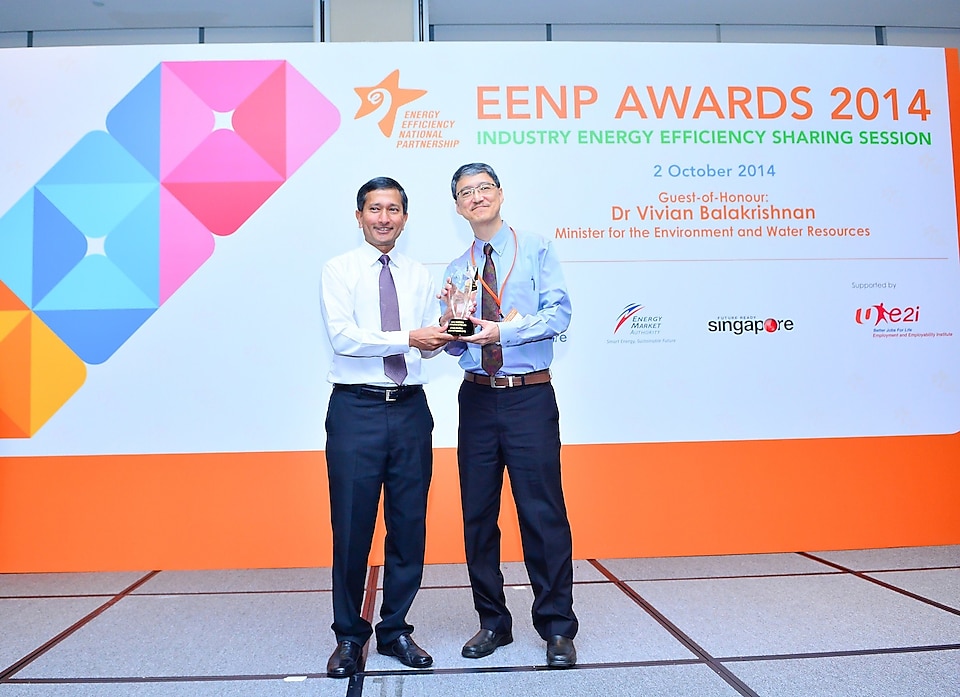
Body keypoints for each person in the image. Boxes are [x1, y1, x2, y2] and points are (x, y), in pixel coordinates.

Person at [440, 163, 579, 668]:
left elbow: (559, 315)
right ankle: (493, 622)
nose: (476, 197)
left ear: (500, 194)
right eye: (465, 193)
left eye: (483, 188)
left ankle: (557, 627)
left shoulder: (537, 247)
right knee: (478, 515)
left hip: (528, 398)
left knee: (542, 513)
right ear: (457, 207)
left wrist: (504, 333)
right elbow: (460, 347)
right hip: (476, 398)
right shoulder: (457, 268)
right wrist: (448, 334)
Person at [320, 176, 452, 678]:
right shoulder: (338, 270)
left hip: (411, 409)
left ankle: (395, 629)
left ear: (405, 216)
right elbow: (344, 338)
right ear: (359, 216)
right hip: (356, 410)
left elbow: (431, 335)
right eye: (374, 209)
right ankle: (349, 636)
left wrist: (458, 330)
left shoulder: (420, 273)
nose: (383, 218)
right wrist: (409, 337)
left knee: (408, 527)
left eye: (393, 209)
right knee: (352, 529)